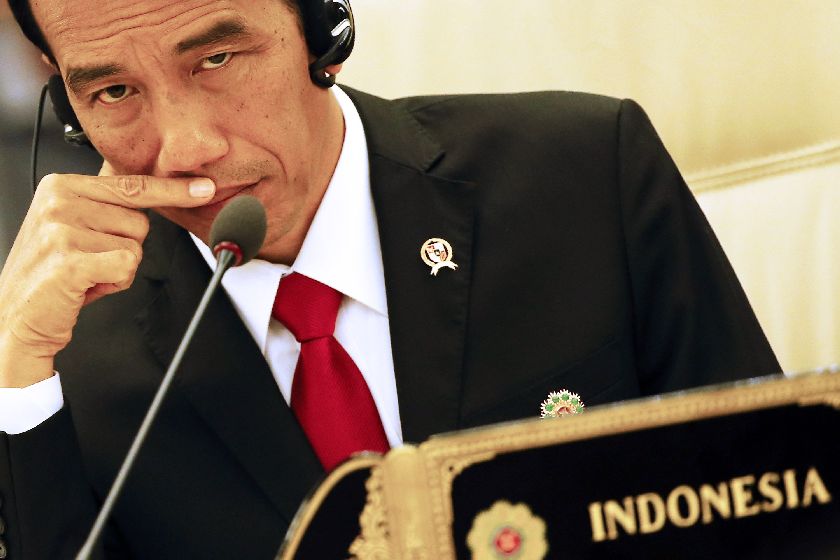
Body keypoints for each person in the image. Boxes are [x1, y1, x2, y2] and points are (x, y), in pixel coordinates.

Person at [0, 0, 780, 558]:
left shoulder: (586, 175)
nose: (184, 148)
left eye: (216, 58)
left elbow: (785, 501)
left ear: (319, 29)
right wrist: (17, 383)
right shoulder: (64, 350)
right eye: (113, 92)